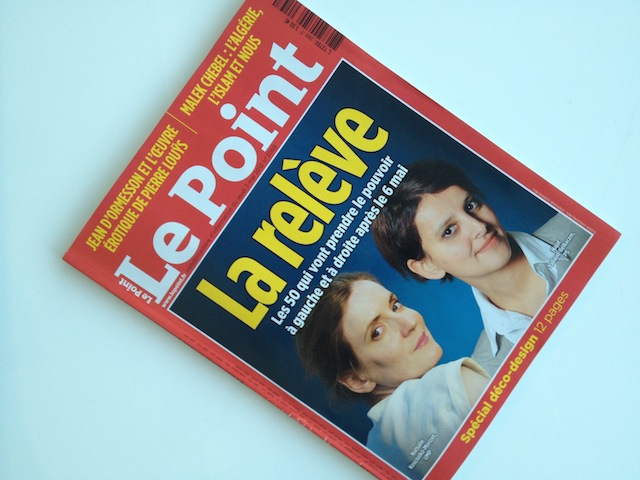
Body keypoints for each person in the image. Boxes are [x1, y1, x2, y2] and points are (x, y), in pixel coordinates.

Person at [372, 160, 590, 373]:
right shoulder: (490, 368)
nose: (479, 226)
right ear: (427, 267)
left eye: (470, 205)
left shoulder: (582, 226)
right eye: (449, 231)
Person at [296, 272, 490, 479]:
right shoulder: (452, 386)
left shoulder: (374, 456)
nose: (409, 322)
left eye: (395, 306)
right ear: (357, 379)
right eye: (377, 332)